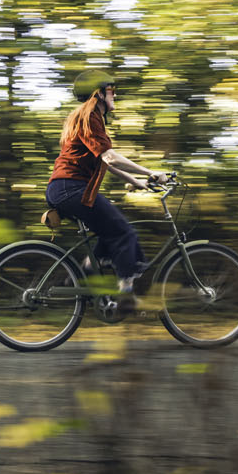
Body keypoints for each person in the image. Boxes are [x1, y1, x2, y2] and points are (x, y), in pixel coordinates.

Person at [45, 69, 167, 311]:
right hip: (72, 188)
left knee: (108, 234)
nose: (114, 95)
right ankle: (126, 295)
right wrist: (149, 172)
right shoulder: (90, 116)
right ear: (98, 94)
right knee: (124, 233)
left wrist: (138, 181)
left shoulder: (86, 119)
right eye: (111, 90)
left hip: (63, 188)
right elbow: (110, 157)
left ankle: (80, 277)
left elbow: (104, 162)